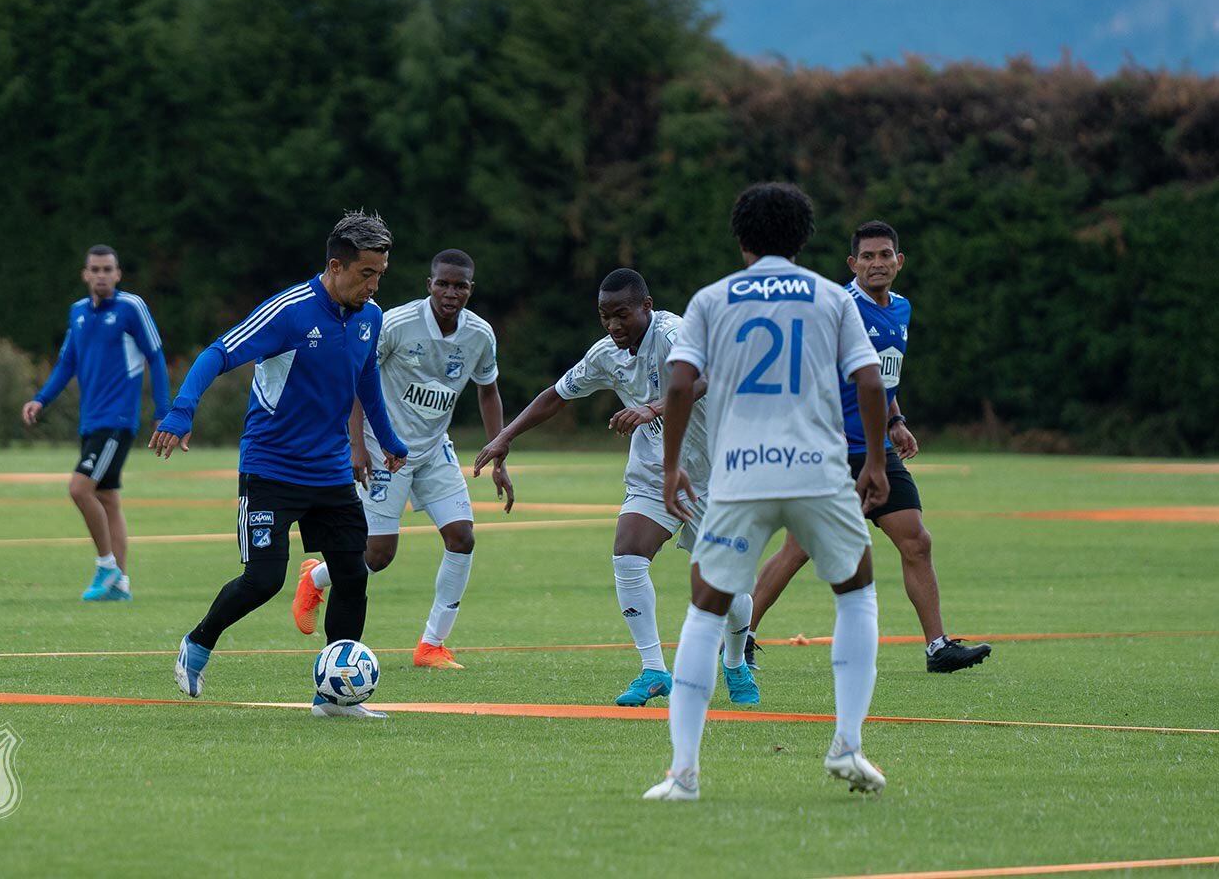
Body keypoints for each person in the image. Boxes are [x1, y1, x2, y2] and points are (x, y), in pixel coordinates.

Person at [643, 182, 891, 802]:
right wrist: (877, 462)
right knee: (856, 594)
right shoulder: (834, 297)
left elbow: (678, 386)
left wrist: (672, 464)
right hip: (817, 471)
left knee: (705, 610)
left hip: (739, 473)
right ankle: (848, 745)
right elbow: (867, 379)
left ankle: (683, 773)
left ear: (742, 238)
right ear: (805, 239)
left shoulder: (711, 299)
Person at [150, 212, 408, 718]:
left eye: (380, 274)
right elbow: (216, 353)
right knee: (265, 580)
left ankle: (334, 698)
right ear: (335, 265)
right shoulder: (289, 311)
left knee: (354, 573)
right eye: (366, 274)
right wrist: (182, 411)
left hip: (331, 471)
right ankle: (198, 644)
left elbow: (365, 382)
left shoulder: (369, 317)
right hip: (271, 468)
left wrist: (390, 439)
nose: (374, 285)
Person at [474, 269, 757, 708]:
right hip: (653, 473)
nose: (612, 326)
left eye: (621, 315)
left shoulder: (673, 333)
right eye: (605, 316)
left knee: (727, 584)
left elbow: (705, 379)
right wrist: (506, 435)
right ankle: (653, 669)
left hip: (713, 475)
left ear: (646, 306)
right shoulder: (607, 353)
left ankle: (737, 663)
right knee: (628, 552)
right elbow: (557, 394)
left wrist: (654, 408)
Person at [743, 220, 991, 674]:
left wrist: (895, 421)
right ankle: (741, 637)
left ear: (900, 261)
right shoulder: (839, 307)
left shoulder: (901, 309)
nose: (878, 264)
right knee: (799, 549)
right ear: (852, 263)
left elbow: (879, 377)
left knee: (917, 541)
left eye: (885, 255)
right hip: (832, 452)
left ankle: (938, 647)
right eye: (868, 257)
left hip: (878, 448)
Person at [292, 248, 513, 670]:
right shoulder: (395, 323)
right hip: (383, 448)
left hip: (433, 450)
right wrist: (356, 445)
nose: (451, 292)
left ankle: (431, 645)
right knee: (377, 555)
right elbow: (356, 379)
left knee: (462, 537)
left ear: (470, 289)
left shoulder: (479, 335)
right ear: (429, 285)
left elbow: (488, 389)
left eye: (460, 285)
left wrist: (498, 450)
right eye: (443, 284)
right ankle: (315, 578)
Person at [22, 245, 169, 602]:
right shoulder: (78, 313)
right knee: (107, 498)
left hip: (117, 420)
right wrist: (41, 399)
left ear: (118, 274)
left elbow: (156, 357)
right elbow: (67, 363)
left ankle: (106, 566)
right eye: (95, 269)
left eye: (108, 269)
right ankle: (120, 584)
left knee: (79, 488)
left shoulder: (131, 308)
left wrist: (164, 412)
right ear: (85, 274)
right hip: (91, 421)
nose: (101, 275)